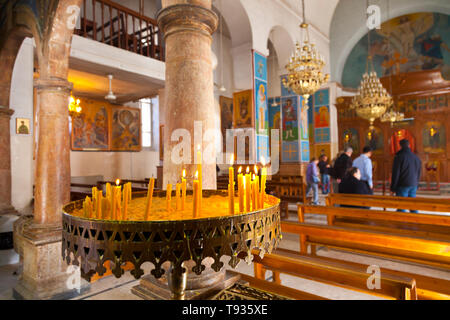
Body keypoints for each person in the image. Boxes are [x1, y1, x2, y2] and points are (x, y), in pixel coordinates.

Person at [390, 139, 422, 213]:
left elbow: (396, 173)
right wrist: (417, 183)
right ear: (409, 145)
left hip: (402, 184)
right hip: (413, 184)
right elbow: (419, 172)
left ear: (400, 146)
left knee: (401, 206)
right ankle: (416, 220)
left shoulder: (399, 157)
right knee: (413, 205)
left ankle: (402, 223)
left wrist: (393, 188)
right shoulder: (416, 157)